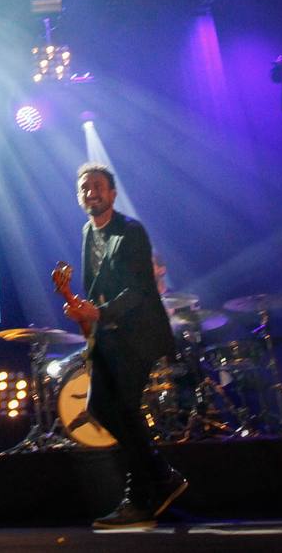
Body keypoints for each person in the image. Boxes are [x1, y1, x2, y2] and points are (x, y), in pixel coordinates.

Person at [63, 163, 188, 530]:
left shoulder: (131, 232)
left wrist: (98, 311)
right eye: (85, 188)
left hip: (139, 334)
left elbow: (138, 291)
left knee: (126, 410)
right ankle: (160, 478)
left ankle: (139, 498)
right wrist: (82, 311)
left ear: (112, 193)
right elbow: (93, 286)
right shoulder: (88, 232)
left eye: (98, 187)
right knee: (99, 407)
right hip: (109, 336)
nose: (92, 193)